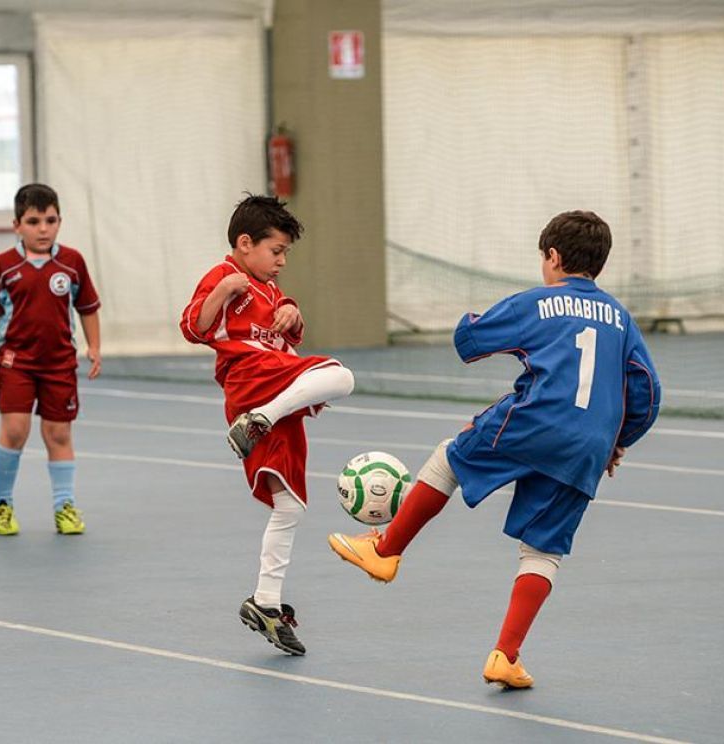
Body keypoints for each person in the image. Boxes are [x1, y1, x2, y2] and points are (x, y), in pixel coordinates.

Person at [329, 210, 660, 688]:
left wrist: (476, 318)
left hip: (535, 420)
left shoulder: (541, 302)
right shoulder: (621, 319)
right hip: (588, 446)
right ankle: (505, 656)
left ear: (553, 257)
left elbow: (470, 340)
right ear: (600, 266)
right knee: (544, 549)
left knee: (451, 456)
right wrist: (616, 439)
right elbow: (648, 390)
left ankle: (386, 548)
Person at [180, 194, 355, 655]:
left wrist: (293, 314)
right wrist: (222, 292)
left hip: (276, 389)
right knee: (342, 375)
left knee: (291, 505)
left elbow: (287, 335)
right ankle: (258, 421)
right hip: (251, 382)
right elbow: (194, 327)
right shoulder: (224, 277)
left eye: (284, 254)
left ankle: (265, 603)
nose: (281, 261)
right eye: (276, 251)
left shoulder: (274, 292)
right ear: (244, 244)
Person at [0, 183, 101, 537]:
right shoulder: (2, 265)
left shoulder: (72, 262)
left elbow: (88, 308)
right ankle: (2, 504)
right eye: (33, 221)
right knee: (15, 431)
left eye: (50, 220)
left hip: (60, 364)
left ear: (59, 221)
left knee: (58, 433)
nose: (43, 229)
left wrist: (94, 346)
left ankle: (65, 506)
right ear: (17, 225)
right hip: (16, 363)